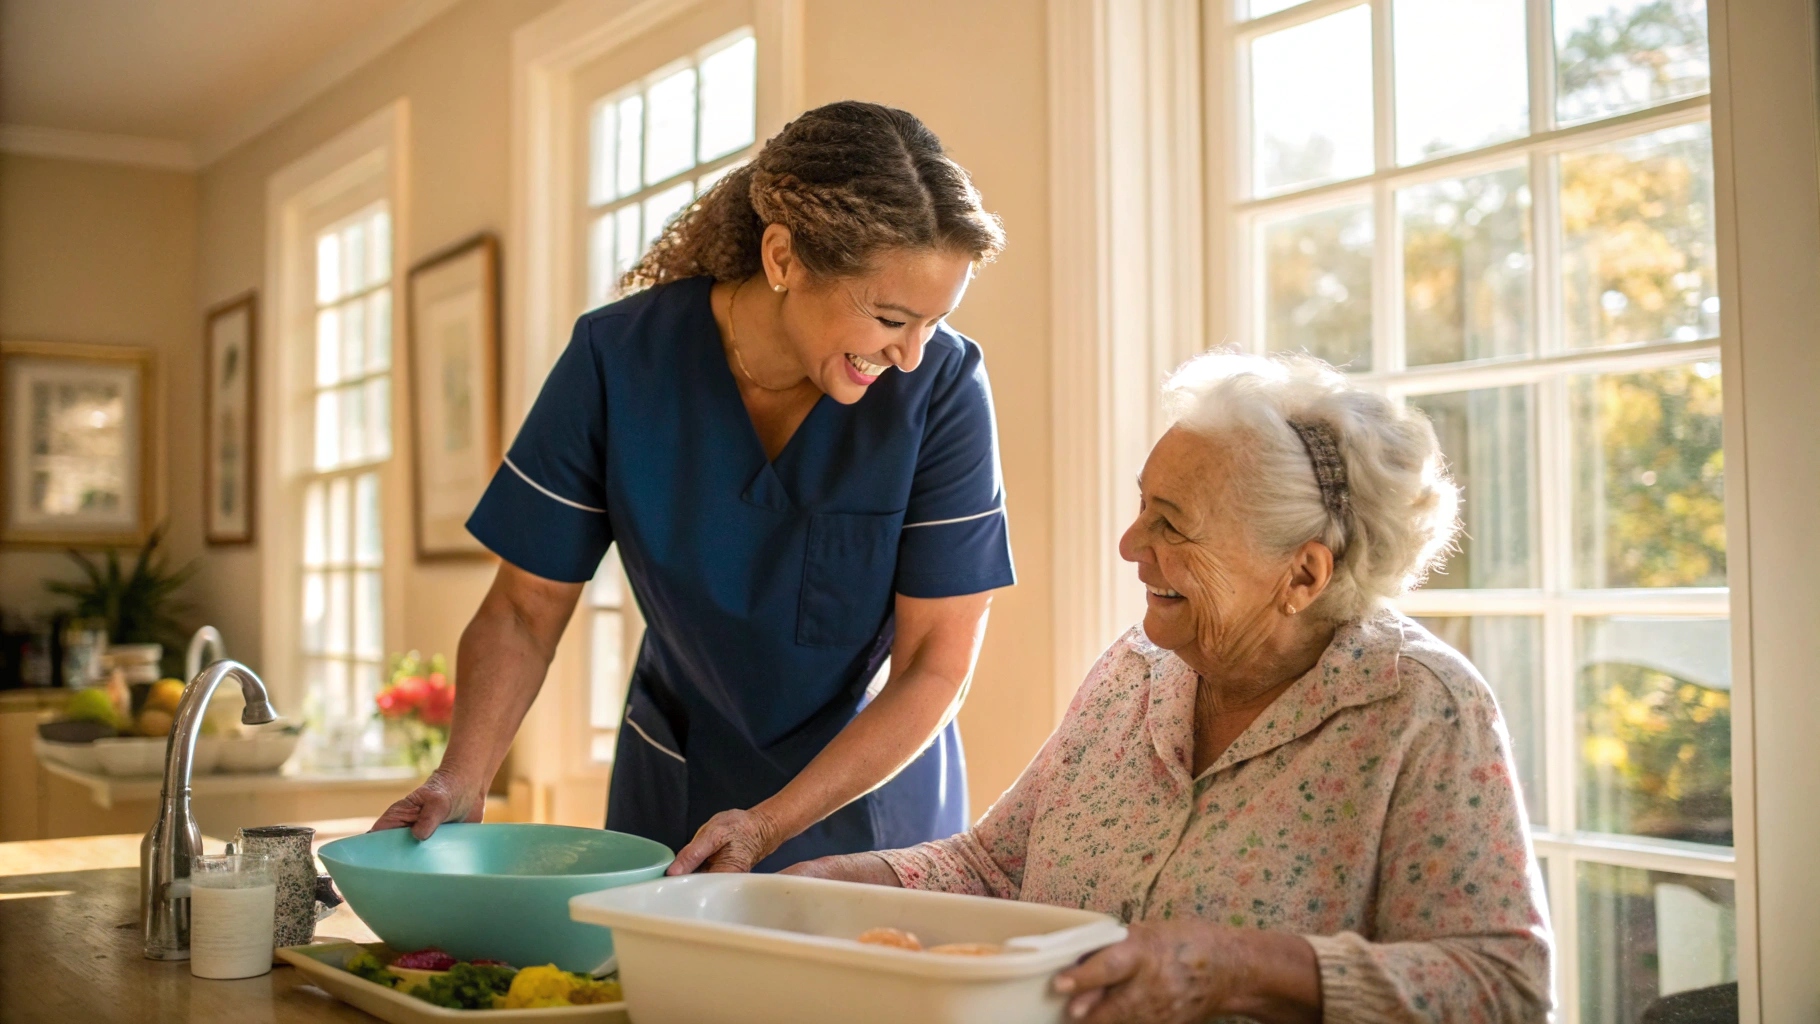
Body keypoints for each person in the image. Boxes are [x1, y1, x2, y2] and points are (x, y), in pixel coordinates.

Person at [785, 352, 1554, 1023]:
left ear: (1303, 573)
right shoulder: (1138, 667)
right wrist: (832, 883)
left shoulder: (1420, 708)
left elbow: (1503, 987)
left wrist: (1240, 971)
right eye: (1142, 505)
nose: (1129, 544)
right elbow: (994, 869)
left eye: (1172, 524)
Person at [373, 101, 1015, 874]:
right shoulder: (620, 361)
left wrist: (768, 824)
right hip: (674, 789)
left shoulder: (941, 389)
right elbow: (522, 608)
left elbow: (932, 667)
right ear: (784, 258)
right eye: (889, 318)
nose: (911, 356)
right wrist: (462, 774)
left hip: (866, 806)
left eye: (933, 324)